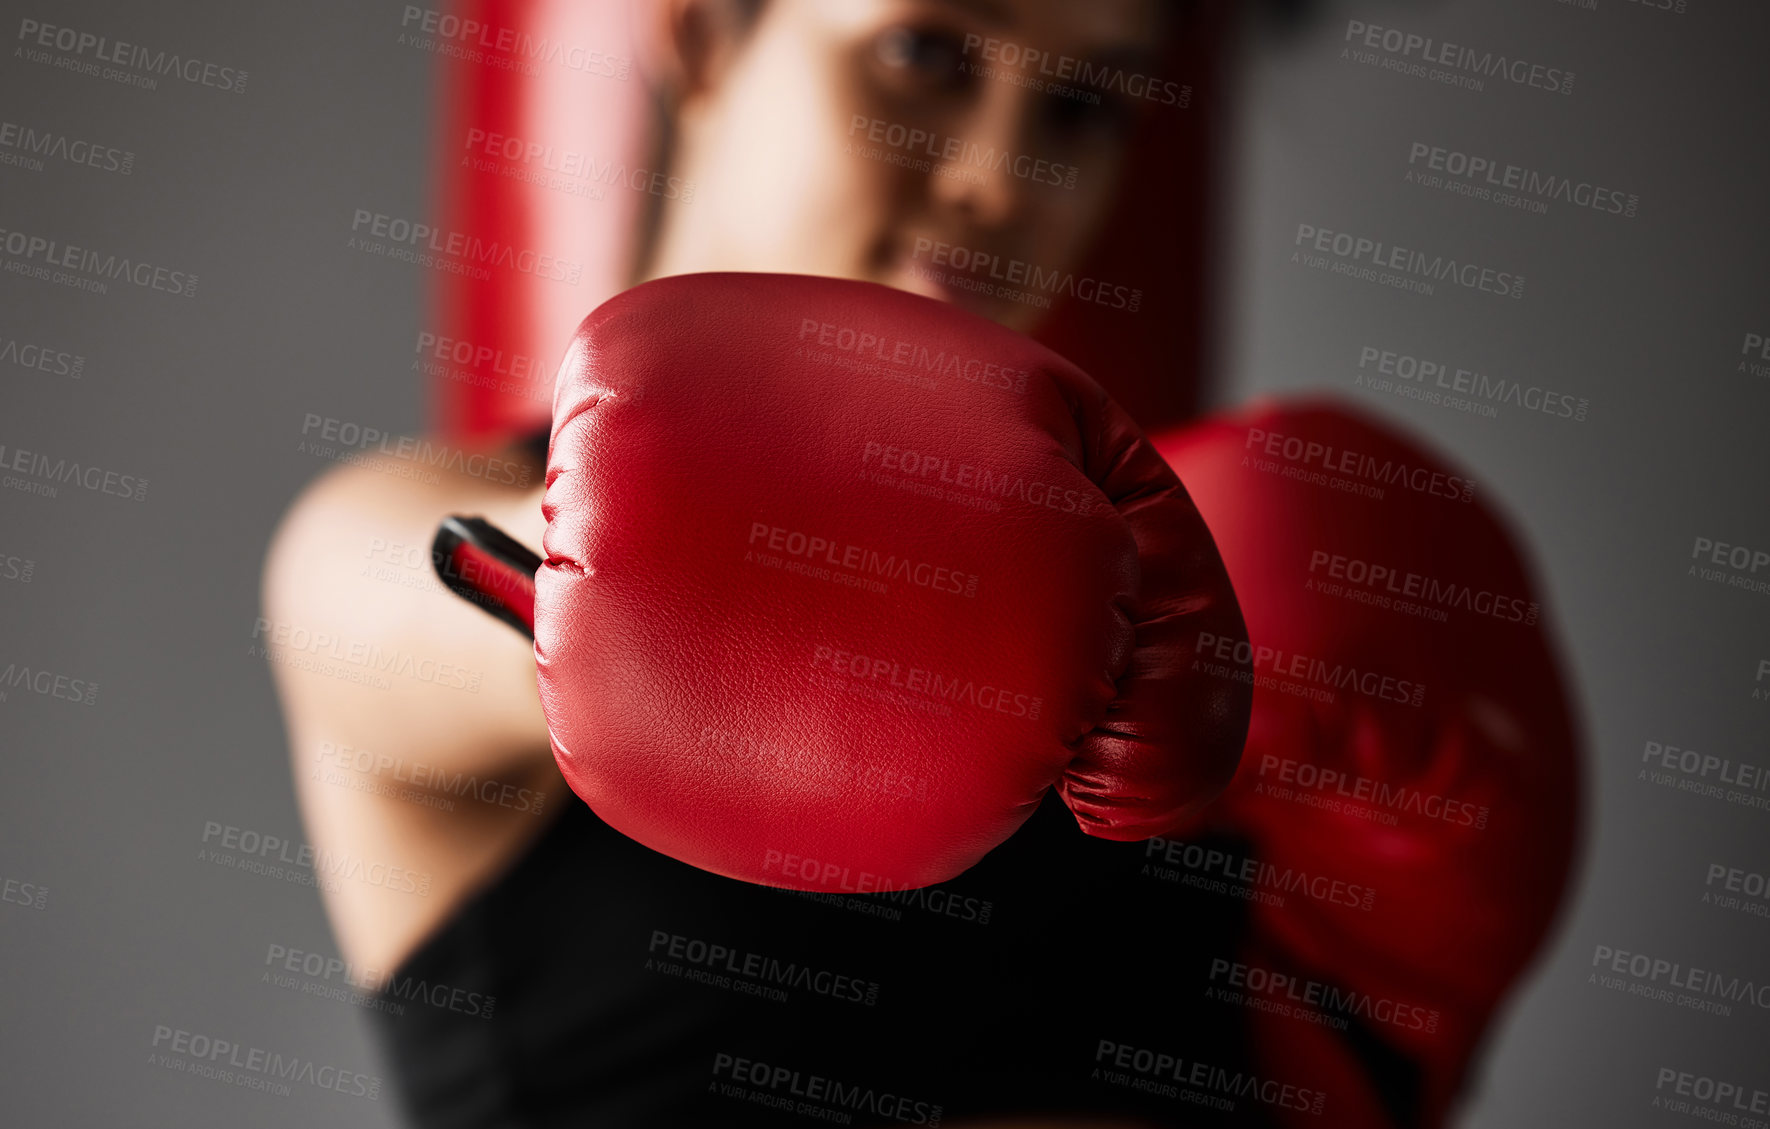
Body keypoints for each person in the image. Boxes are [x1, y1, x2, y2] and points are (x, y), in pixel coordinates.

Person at [262, 2, 1580, 1126]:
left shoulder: (1193, 607)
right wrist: (673, 582)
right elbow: (393, 593)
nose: (1002, 180)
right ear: (708, 34)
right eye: (930, 53)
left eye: (1082, 105)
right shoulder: (421, 526)